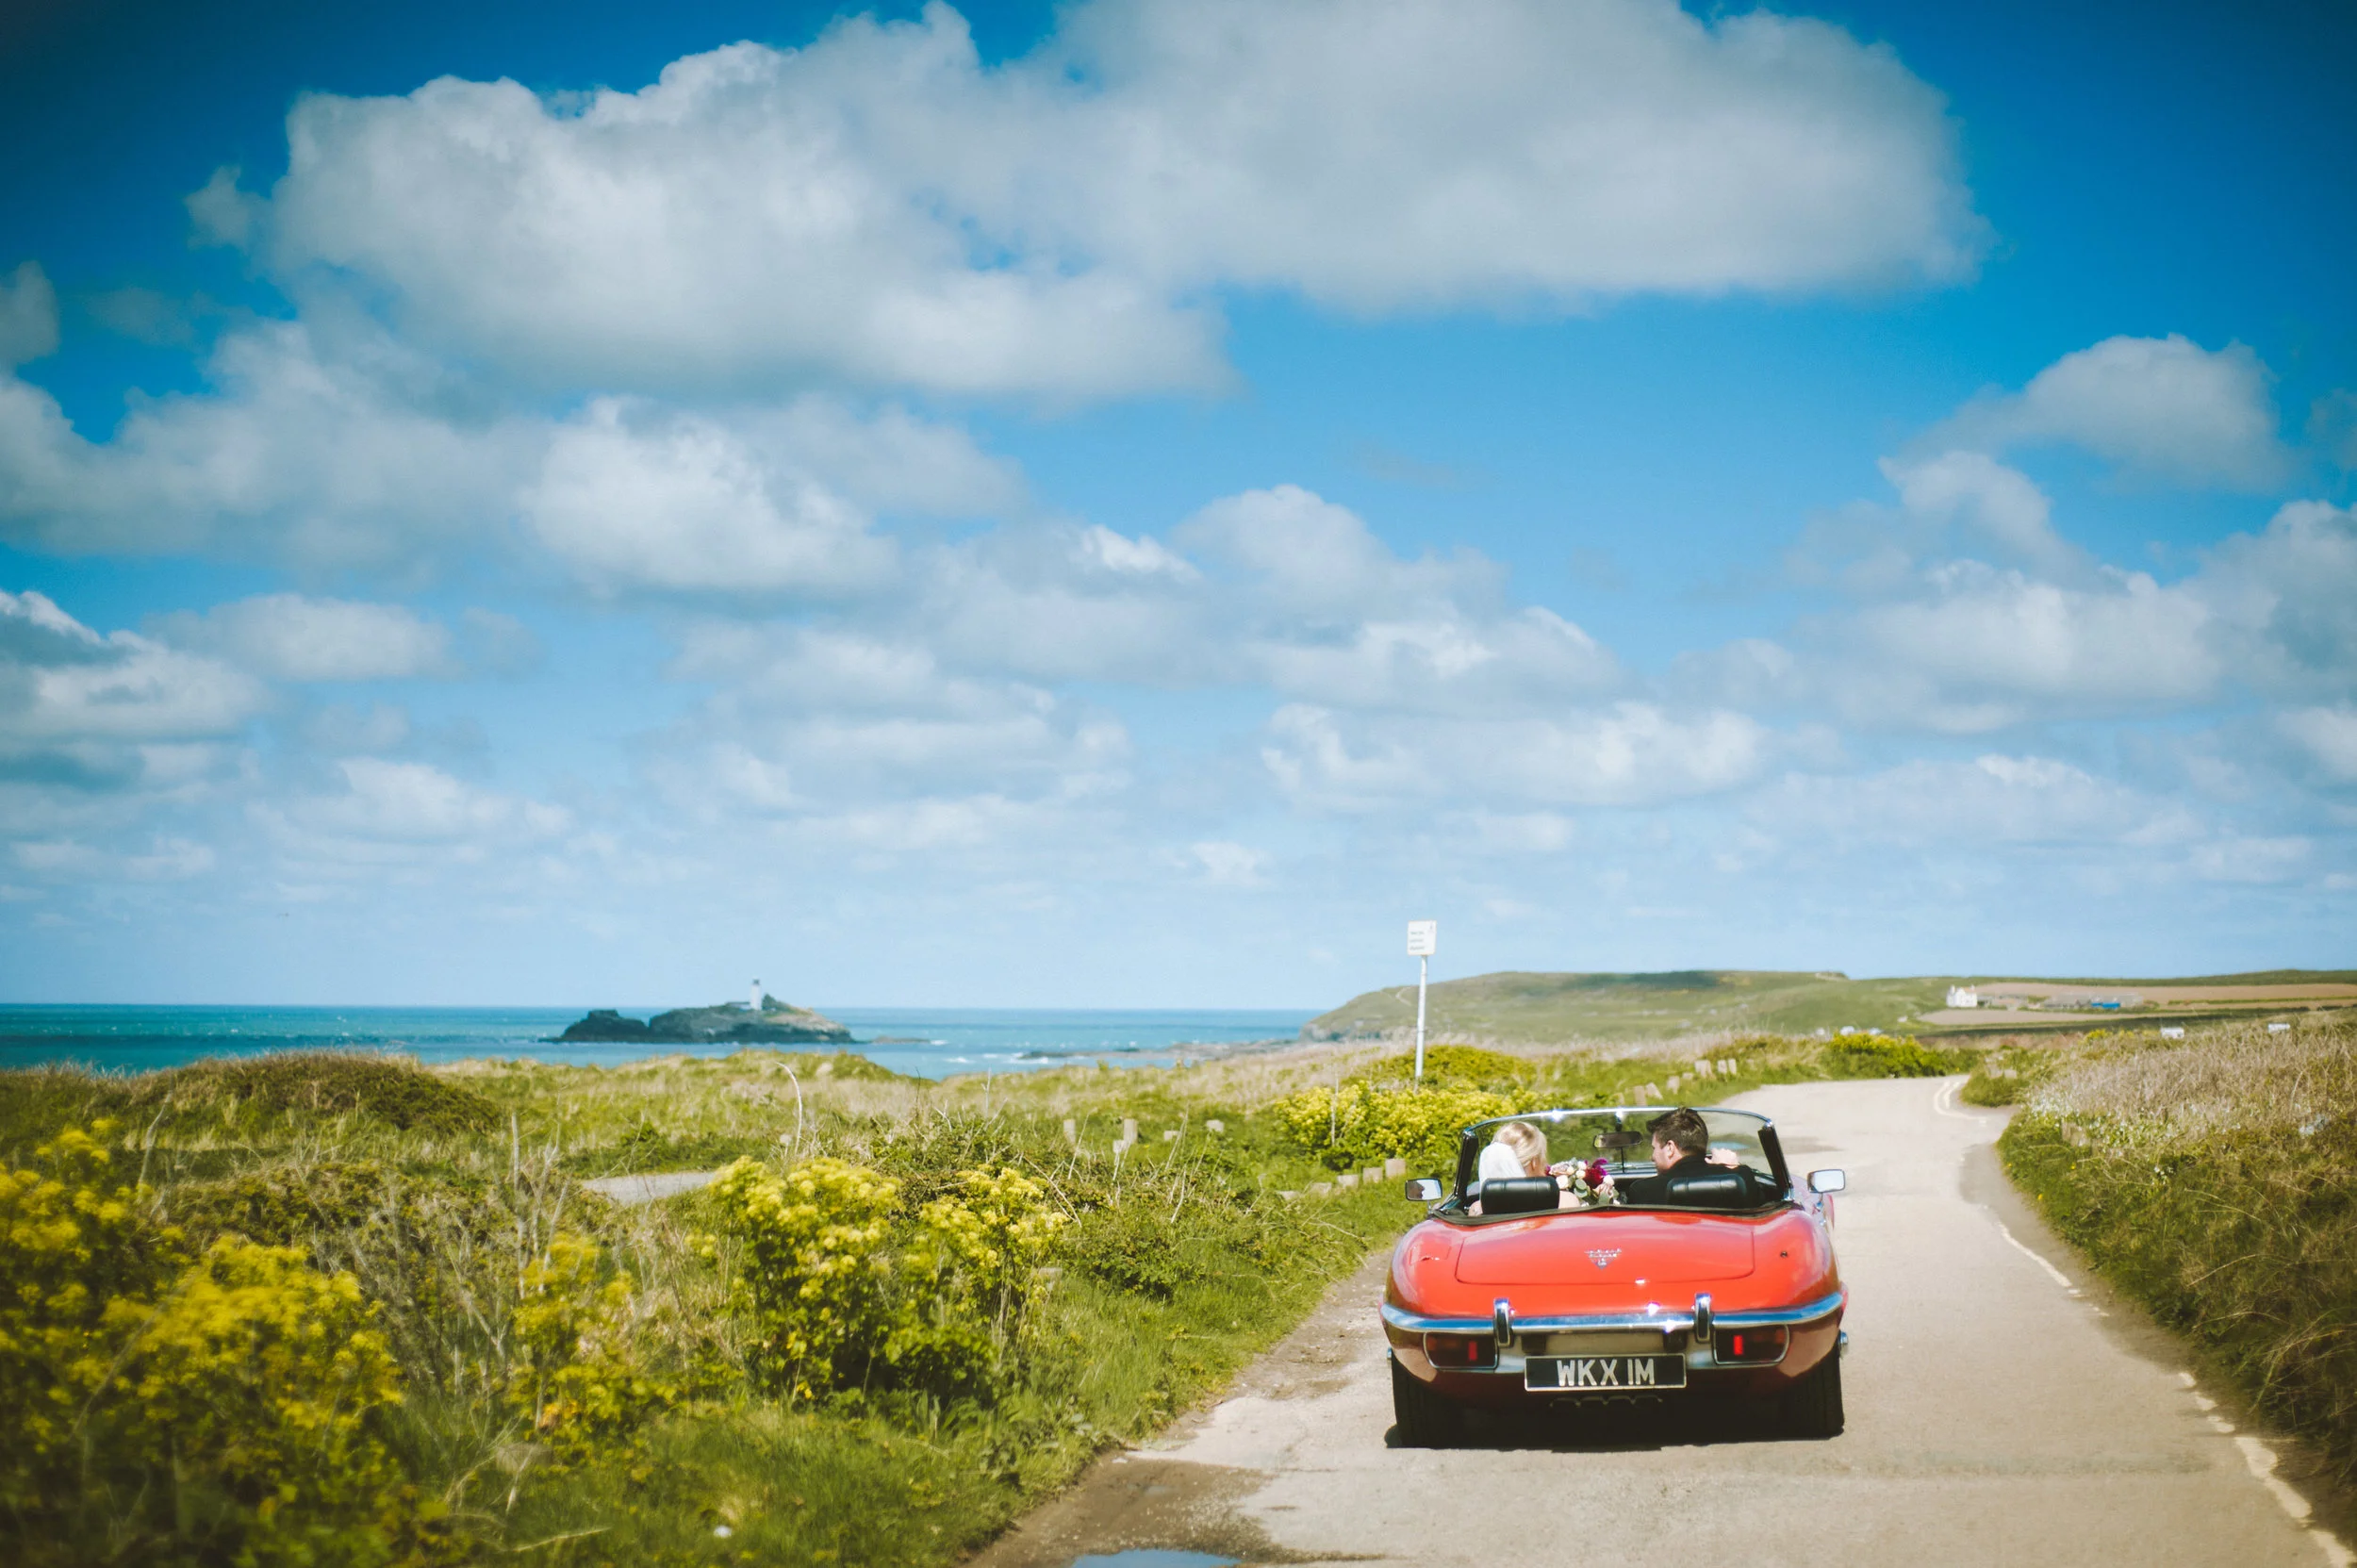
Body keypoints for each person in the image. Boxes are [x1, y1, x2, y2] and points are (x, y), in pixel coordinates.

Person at [1616, 1107, 1777, 1208]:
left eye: (1654, 1148)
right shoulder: (1740, 1180)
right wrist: (1733, 1169)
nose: (1652, 1157)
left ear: (1670, 1148)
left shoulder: (1643, 1191)